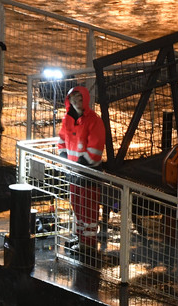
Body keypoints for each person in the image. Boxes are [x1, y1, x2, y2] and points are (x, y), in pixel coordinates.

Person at [57, 85, 106, 263]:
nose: (76, 102)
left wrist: (79, 164)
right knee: (77, 205)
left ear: (85, 100)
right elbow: (62, 140)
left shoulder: (94, 121)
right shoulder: (68, 119)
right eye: (73, 99)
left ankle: (88, 243)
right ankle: (80, 238)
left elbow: (95, 147)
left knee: (89, 208)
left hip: (88, 172)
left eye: (79, 99)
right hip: (75, 171)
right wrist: (64, 158)